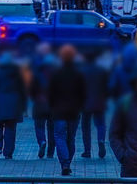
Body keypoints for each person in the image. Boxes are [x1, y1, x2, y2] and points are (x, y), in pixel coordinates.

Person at [47, 44, 86, 175]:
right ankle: (67, 162)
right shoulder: (78, 74)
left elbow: (50, 93)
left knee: (59, 137)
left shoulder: (56, 74)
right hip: (74, 111)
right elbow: (83, 94)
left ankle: (64, 163)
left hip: (59, 111)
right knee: (71, 138)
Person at [0, 51, 27, 160]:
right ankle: (8, 152)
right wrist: (24, 107)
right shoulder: (17, 74)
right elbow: (22, 91)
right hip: (14, 105)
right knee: (10, 129)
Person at [80, 49, 110, 159]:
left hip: (85, 103)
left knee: (85, 127)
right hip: (99, 101)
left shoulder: (82, 71)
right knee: (100, 124)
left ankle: (87, 151)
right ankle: (101, 140)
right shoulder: (101, 70)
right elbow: (107, 86)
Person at [29, 45, 57, 158]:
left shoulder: (37, 74)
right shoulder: (56, 74)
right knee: (52, 128)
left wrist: (34, 98)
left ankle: (41, 141)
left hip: (40, 103)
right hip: (53, 104)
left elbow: (31, 90)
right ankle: (50, 152)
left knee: (39, 126)